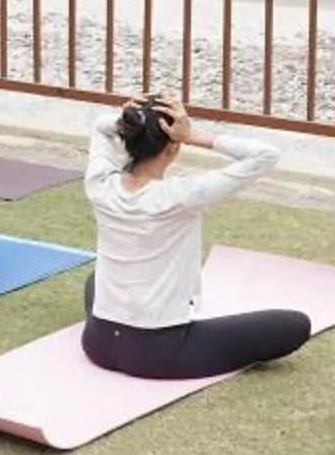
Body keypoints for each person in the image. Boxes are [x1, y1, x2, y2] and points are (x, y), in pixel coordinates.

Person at [83, 95, 311, 379]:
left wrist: (128, 117)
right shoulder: (182, 195)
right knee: (295, 325)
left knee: (94, 281)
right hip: (159, 353)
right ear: (173, 146)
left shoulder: (100, 184)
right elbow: (266, 155)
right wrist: (193, 135)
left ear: (127, 135)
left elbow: (99, 126)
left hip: (98, 343)